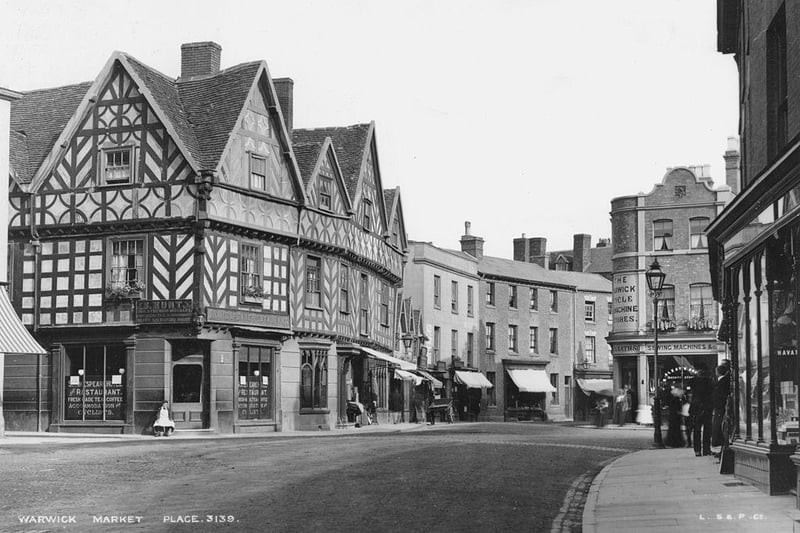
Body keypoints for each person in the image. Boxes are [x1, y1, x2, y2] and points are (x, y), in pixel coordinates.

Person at [691, 363, 714, 456]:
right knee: (707, 430)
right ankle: (706, 450)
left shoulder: (693, 381)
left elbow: (692, 395)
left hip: (697, 408)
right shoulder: (709, 381)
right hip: (707, 407)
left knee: (696, 430)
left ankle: (697, 450)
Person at [712, 363, 731, 455]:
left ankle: (722, 449)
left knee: (720, 427)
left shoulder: (722, 382)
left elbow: (720, 396)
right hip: (720, 407)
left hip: (721, 408)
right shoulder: (722, 381)